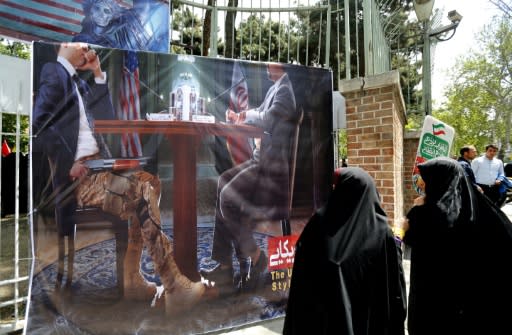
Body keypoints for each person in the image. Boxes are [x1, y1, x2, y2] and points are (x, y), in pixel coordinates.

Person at [32, 42, 205, 314]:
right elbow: (39, 126)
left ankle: (131, 278)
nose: (87, 47)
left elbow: (107, 118)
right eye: (82, 44)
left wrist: (98, 74)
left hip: (101, 168)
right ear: (65, 45)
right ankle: (174, 286)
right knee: (143, 190)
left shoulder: (80, 83)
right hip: (81, 177)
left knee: (151, 182)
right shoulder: (54, 73)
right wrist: (69, 164)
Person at [201, 62, 300, 294]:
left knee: (227, 196)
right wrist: (241, 116)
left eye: (271, 62)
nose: (267, 64)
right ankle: (225, 266)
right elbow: (263, 116)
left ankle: (256, 256)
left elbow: (268, 120)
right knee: (223, 181)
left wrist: (247, 114)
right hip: (261, 161)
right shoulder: (276, 87)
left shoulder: (285, 91)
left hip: (270, 170)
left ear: (281, 66)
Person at [283, 167, 407, 335]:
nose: (334, 192)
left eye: (338, 187)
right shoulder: (320, 225)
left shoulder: (382, 232)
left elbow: (392, 285)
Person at [402, 157, 512, 335]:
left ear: (439, 180)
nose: (421, 184)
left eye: (425, 178)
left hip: (433, 301)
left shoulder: (427, 213)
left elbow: (410, 238)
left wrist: (409, 220)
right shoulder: (483, 209)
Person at [73, 0, 168, 52]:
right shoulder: (81, 38)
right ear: (90, 11)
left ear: (111, 16)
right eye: (97, 8)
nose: (101, 14)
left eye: (106, 11)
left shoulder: (115, 39)